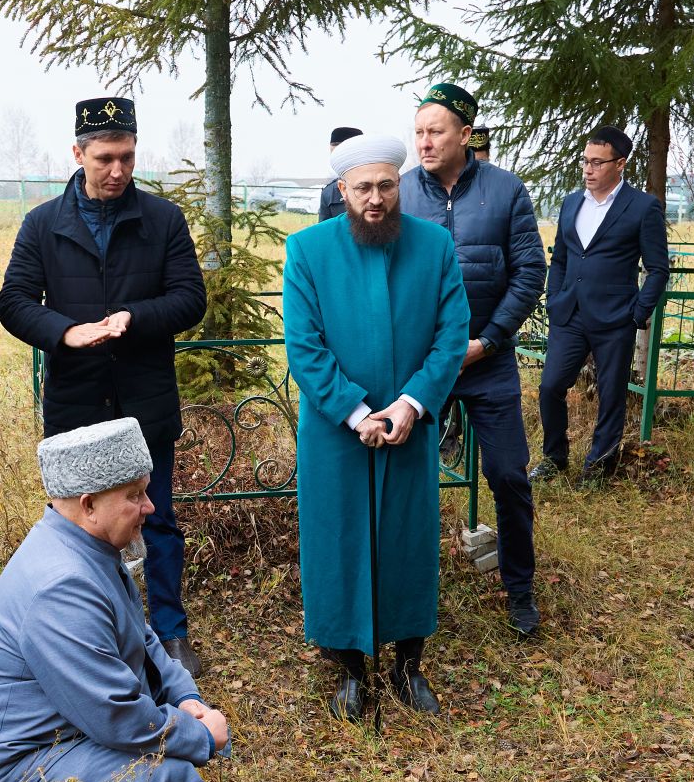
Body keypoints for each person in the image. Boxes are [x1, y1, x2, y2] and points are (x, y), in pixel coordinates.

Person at [0, 419, 232, 782]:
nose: (150, 506)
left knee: (168, 760)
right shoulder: (62, 585)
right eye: (134, 495)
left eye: (145, 490)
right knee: (167, 781)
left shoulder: (86, 547)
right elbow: (113, 711)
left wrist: (185, 695)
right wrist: (199, 739)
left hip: (53, 731)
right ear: (89, 504)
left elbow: (144, 636)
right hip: (3, 766)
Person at [0, 96, 209, 675]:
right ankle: (82, 629)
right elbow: (13, 302)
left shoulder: (162, 220)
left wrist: (133, 319)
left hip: (144, 398)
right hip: (77, 401)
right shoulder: (44, 223)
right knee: (76, 523)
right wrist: (65, 333)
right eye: (105, 159)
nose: (117, 171)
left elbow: (190, 298)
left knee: (155, 514)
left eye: (127, 157)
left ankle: (170, 630)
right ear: (78, 153)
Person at [283, 134, 469, 721]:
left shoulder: (434, 245)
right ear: (342, 190)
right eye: (362, 188)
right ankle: (350, 669)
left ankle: (408, 665)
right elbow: (304, 348)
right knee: (339, 541)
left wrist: (411, 405)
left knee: (407, 541)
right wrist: (359, 413)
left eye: (386, 187)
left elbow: (451, 333)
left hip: (408, 428)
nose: (375, 200)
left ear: (400, 186)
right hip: (337, 432)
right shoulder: (308, 251)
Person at [402, 83, 544, 637]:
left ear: (465, 134)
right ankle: (405, 587)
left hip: (487, 359)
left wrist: (487, 340)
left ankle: (520, 590)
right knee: (404, 475)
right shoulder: (403, 195)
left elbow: (530, 272)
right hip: (423, 365)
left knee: (509, 473)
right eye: (418, 132)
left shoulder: (506, 192)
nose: (425, 142)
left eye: (435, 131)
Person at [532, 125, 671, 481]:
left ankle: (598, 465)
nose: (588, 169)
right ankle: (554, 458)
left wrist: (637, 315)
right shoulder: (571, 202)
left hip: (615, 318)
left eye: (597, 162)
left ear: (620, 163)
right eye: (584, 161)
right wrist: (554, 296)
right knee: (550, 386)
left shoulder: (642, 207)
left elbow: (657, 268)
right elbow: (560, 256)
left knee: (611, 395)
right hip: (569, 313)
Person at [317, 126, 361, 221]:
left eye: (342, 157)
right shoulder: (329, 193)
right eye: (334, 157)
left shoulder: (386, 186)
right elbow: (324, 231)